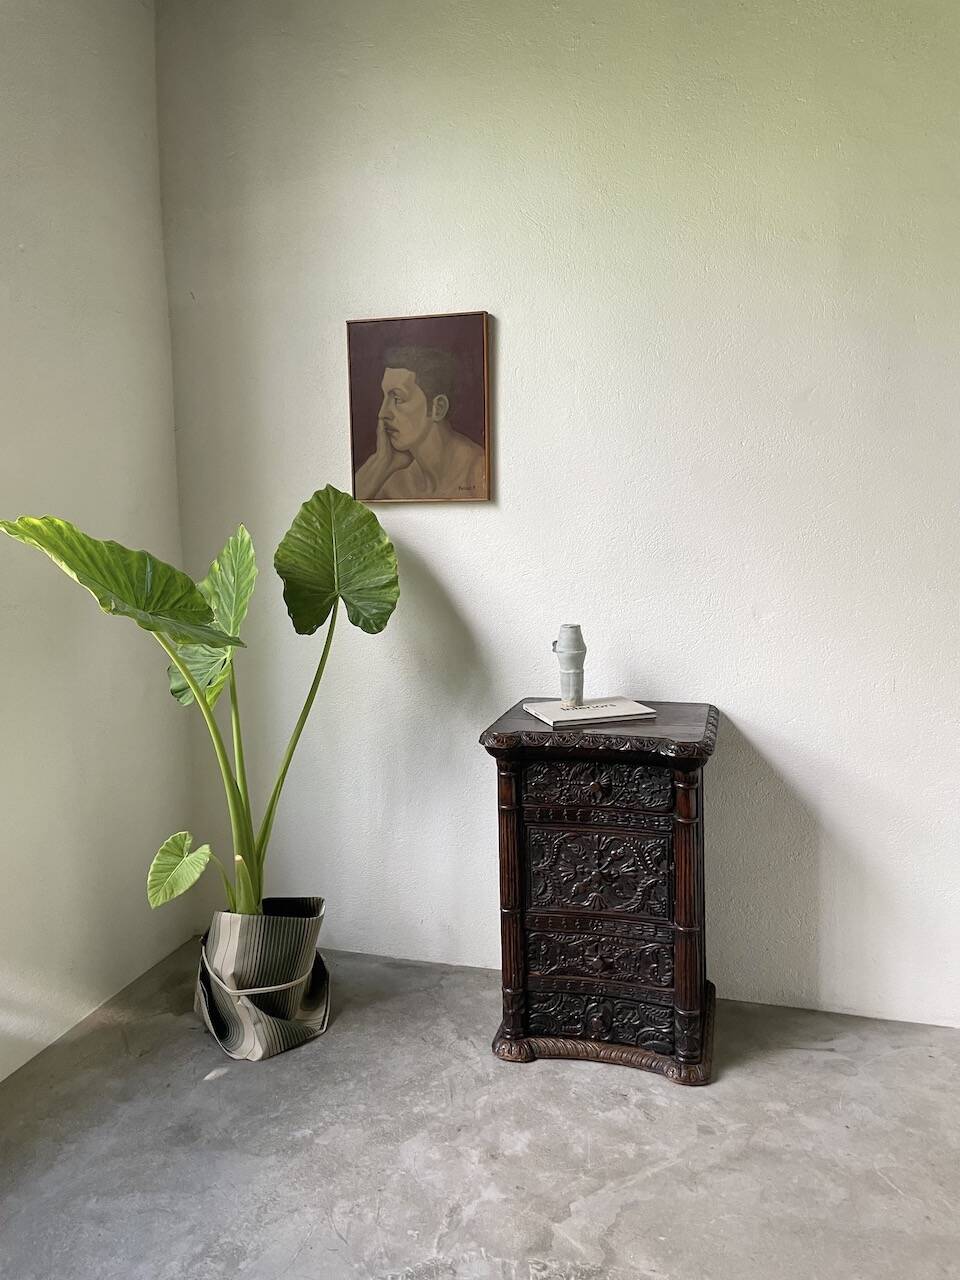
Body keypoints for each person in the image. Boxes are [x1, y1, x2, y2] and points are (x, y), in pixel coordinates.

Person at [354, 345, 486, 500]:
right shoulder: (394, 482)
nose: (383, 413)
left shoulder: (479, 472)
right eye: (384, 398)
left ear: (438, 408)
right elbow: (348, 515)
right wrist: (380, 462)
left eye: (397, 399)